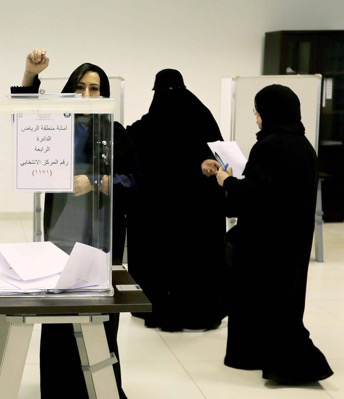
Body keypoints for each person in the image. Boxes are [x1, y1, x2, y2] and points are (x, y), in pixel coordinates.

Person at [12, 49, 137, 399]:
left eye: (94, 89)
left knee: (99, 316)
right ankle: (58, 387)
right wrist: (29, 75)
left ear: (105, 94)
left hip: (103, 234)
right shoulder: (58, 125)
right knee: (59, 311)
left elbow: (136, 179)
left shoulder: (116, 133)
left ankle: (101, 387)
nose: (86, 95)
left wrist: (97, 181)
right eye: (80, 87)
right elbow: (25, 124)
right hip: (60, 232)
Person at [209, 84, 333, 384]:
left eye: (257, 111)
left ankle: (294, 365)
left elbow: (255, 196)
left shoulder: (268, 146)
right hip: (292, 239)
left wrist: (226, 180)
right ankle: (267, 356)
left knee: (259, 302)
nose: (256, 117)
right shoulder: (303, 145)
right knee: (283, 303)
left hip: (264, 242)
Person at [126, 69, 227, 332]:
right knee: (195, 260)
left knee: (162, 259)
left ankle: (158, 307)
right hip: (196, 209)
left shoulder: (151, 121)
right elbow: (216, 153)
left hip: (160, 208)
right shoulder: (201, 114)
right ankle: (198, 311)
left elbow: (140, 149)